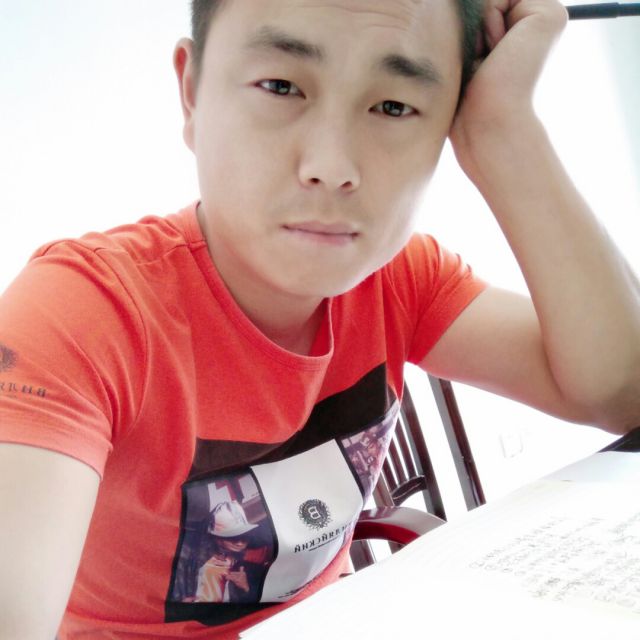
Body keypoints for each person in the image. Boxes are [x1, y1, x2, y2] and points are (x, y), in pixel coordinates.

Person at [1, 0, 639, 638]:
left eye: (394, 106)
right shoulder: (83, 313)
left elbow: (620, 391)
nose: (332, 168)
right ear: (192, 92)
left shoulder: (399, 278)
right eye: (281, 86)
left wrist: (505, 131)